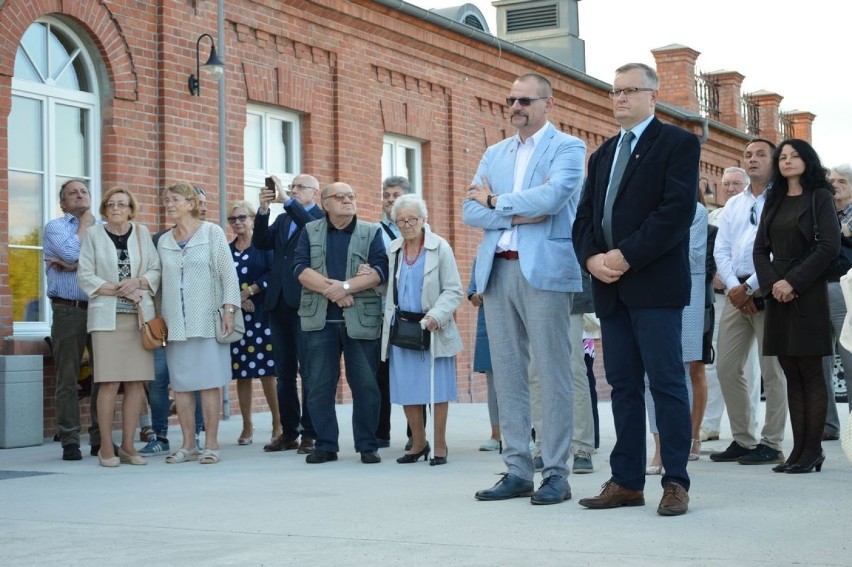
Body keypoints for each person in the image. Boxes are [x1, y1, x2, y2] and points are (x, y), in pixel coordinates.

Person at [572, 62, 698, 516]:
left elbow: (675, 211)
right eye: (615, 91)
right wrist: (591, 259)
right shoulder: (602, 153)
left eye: (630, 90)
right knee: (622, 385)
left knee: (665, 383)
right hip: (609, 287)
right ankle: (625, 480)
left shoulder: (678, 143)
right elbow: (584, 216)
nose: (620, 98)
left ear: (653, 95)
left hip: (654, 285)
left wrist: (624, 255)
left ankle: (675, 481)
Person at [464, 72, 585, 505]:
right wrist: (516, 213)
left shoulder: (568, 147)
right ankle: (517, 469)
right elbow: (468, 212)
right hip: (497, 271)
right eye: (510, 99)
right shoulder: (493, 153)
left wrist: (496, 202)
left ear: (548, 104)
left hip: (545, 273)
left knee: (551, 372)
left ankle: (556, 472)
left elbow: (553, 199)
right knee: (508, 374)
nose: (515, 106)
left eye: (525, 100)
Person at [753, 139, 839, 474]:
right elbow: (760, 249)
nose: (788, 161)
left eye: (795, 156)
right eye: (783, 157)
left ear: (808, 160)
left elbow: (828, 245)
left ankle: (812, 451)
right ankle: (797, 452)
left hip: (808, 290)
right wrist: (773, 283)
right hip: (777, 291)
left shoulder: (820, 196)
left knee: (810, 371)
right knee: (790, 369)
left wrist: (794, 281)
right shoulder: (773, 200)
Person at [293, 182, 388, 464]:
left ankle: (367, 445)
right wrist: (333, 291)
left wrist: (345, 287)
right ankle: (325, 445)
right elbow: (300, 269)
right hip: (320, 321)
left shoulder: (371, 232)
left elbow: (379, 271)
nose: (348, 200)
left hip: (360, 320)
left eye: (351, 195)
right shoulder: (310, 231)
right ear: (325, 203)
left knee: (366, 385)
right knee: (319, 385)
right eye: (340, 197)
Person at [710, 139, 788, 466]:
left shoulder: (784, 201)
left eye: (760, 154)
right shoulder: (734, 205)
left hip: (767, 290)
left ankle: (772, 442)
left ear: (774, 161)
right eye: (748, 155)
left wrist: (752, 288)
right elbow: (722, 249)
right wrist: (734, 287)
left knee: (772, 371)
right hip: (735, 293)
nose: (752, 159)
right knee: (727, 367)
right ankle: (743, 439)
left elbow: (780, 250)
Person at [157, 181, 241, 464]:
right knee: (180, 386)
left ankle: (212, 444)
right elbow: (158, 284)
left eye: (175, 199)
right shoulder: (164, 241)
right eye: (167, 200)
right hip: (176, 324)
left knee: (209, 383)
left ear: (191, 204)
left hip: (207, 319)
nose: (169, 204)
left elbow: (229, 275)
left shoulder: (212, 233)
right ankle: (189, 445)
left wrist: (229, 309)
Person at [376, 195, 463, 464]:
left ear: (424, 220)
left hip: (433, 327)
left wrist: (437, 315)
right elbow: (390, 288)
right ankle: (418, 443)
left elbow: (454, 289)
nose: (407, 225)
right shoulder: (394, 249)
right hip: (403, 328)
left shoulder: (440, 248)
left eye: (412, 219)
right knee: (407, 388)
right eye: (400, 221)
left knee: (436, 389)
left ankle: (439, 445)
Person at [77, 187, 160, 467]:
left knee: (136, 381)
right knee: (108, 382)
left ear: (130, 209)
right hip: (106, 318)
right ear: (104, 209)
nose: (115, 208)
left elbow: (155, 269)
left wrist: (137, 282)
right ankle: (105, 447)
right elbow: (85, 274)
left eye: (121, 204)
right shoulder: (93, 235)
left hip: (138, 317)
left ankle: (127, 445)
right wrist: (115, 289)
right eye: (110, 204)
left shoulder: (142, 232)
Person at [253, 174, 324, 454]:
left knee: (308, 371)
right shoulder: (283, 218)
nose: (292, 191)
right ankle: (288, 431)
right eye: (291, 186)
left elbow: (314, 232)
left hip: (305, 302)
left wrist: (288, 202)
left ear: (315, 194)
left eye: (299, 187)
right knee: (283, 372)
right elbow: (261, 242)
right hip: (279, 302)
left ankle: (311, 433)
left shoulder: (319, 216)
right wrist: (262, 211)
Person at [139, 186, 207, 457]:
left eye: (203, 203)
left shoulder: (208, 236)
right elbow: (152, 277)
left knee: (197, 380)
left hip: (197, 322)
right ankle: (160, 435)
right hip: (164, 321)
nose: (201, 207)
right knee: (158, 379)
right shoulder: (160, 240)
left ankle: (197, 435)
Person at [43, 179, 105, 461]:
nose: (80, 195)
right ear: (63, 203)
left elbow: (108, 263)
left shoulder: (104, 228)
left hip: (100, 307)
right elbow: (70, 251)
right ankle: (69, 440)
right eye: (73, 193)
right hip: (68, 310)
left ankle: (99, 439)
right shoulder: (55, 227)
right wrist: (84, 227)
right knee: (67, 377)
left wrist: (73, 265)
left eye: (84, 191)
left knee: (103, 376)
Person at [644, 197, 707, 473]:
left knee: (679, 372)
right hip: (648, 291)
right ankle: (658, 448)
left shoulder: (698, 211)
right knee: (650, 374)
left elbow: (693, 256)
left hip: (687, 293)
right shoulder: (646, 207)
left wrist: (650, 242)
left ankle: (676, 449)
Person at [701, 167, 762, 443]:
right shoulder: (713, 216)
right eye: (726, 184)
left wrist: (745, 287)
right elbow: (715, 252)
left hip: (754, 293)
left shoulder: (759, 211)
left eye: (737, 183)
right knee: (717, 364)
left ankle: (750, 424)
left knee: (750, 367)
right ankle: (710, 424)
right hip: (722, 298)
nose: (730, 188)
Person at [227, 200, 280, 445]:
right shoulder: (227, 250)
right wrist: (237, 299)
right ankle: (247, 425)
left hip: (263, 315)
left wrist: (250, 291)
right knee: (242, 373)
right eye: (233, 219)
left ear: (251, 218)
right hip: (237, 317)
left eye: (242, 217)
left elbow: (273, 272)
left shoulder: (263, 245)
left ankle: (278, 423)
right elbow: (221, 280)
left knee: (268, 372)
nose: (238, 223)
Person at [375, 176, 418, 449]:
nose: (390, 199)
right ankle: (380, 432)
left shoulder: (424, 232)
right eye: (386, 195)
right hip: (382, 311)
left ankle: (417, 434)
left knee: (414, 374)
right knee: (380, 373)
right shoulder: (373, 231)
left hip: (413, 313)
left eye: (396, 195)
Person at [821, 164, 852, 432]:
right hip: (819, 288)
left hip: (846, 290)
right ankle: (828, 425)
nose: (836, 185)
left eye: (842, 181)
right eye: (832, 181)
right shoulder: (824, 213)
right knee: (820, 360)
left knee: (850, 358)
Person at [467, 266, 501, 452]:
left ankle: (527, 434)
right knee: (493, 383)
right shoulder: (481, 258)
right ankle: (496, 435)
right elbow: (472, 296)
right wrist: (481, 296)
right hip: (488, 323)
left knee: (524, 381)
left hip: (517, 324)